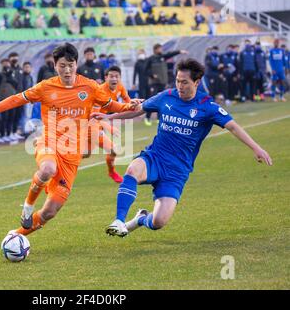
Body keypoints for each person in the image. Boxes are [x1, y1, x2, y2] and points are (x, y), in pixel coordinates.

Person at [0, 43, 138, 237]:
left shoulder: (89, 87)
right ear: (55, 66)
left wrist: (130, 105)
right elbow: (16, 99)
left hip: (72, 158)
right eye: (62, 65)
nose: (67, 70)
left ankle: (16, 236)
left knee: (50, 212)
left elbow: (113, 106)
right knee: (48, 168)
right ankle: (27, 206)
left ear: (77, 64)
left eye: (71, 65)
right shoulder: (45, 87)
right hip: (49, 143)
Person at [90, 58, 272, 237]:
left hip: (177, 170)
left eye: (184, 82)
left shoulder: (208, 107)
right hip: (155, 157)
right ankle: (119, 220)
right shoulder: (166, 96)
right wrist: (109, 117)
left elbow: (232, 126)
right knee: (132, 170)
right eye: (177, 81)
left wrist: (256, 148)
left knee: (159, 222)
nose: (179, 86)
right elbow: (138, 109)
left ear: (197, 82)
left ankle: (139, 220)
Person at [84, 66, 131, 183]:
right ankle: (58, 159)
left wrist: (133, 106)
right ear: (106, 78)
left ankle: (111, 172)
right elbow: (94, 115)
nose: (114, 79)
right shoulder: (99, 92)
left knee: (87, 153)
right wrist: (109, 127)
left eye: (117, 76)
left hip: (98, 122)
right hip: (90, 124)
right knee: (111, 150)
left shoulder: (120, 87)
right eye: (111, 76)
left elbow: (127, 101)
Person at [144, 43, 188, 125]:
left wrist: (180, 51)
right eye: (160, 49)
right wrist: (152, 75)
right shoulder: (151, 59)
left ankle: (158, 117)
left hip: (162, 82)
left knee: (161, 100)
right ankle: (147, 117)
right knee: (152, 100)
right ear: (155, 50)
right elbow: (145, 70)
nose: (161, 50)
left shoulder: (162, 57)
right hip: (154, 83)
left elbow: (170, 54)